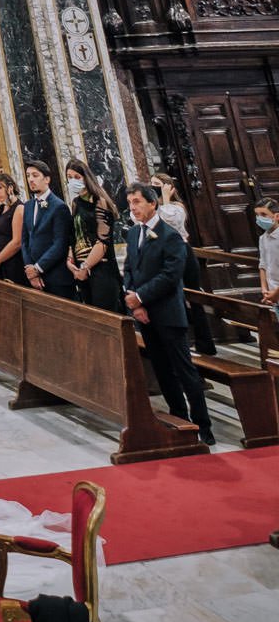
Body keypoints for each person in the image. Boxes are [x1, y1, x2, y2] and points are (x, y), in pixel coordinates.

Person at [123, 181, 215, 445]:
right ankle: (179, 419)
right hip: (144, 315)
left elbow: (170, 276)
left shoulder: (170, 236)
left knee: (184, 371)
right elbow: (130, 269)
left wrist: (140, 297)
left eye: (138, 202)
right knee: (162, 370)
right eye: (130, 203)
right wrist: (135, 303)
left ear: (153, 203)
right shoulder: (132, 234)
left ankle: (203, 425)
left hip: (168, 313)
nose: (133, 207)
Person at [152, 171, 215, 354]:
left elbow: (169, 221)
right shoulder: (155, 208)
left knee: (193, 297)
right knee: (174, 298)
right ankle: (183, 340)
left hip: (183, 253)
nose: (154, 188)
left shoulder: (176, 206)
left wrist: (165, 198)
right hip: (165, 254)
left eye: (157, 185)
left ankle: (205, 343)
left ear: (169, 188)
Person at [64, 159, 124, 311]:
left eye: (76, 177)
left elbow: (103, 241)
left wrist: (85, 266)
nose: (72, 181)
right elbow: (75, 234)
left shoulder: (100, 202)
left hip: (101, 268)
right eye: (69, 177)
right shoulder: (75, 203)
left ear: (86, 177)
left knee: (106, 314)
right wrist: (70, 260)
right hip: (80, 268)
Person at [21, 156, 74, 297]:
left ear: (47, 179)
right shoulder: (27, 206)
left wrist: (38, 268)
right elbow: (24, 241)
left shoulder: (59, 207)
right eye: (28, 176)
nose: (31, 179)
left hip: (56, 278)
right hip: (32, 279)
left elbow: (60, 244)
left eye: (35, 175)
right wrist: (30, 272)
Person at [0, 170, 28, 284]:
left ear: (10, 188)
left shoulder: (19, 208)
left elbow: (17, 242)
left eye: (0, 188)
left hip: (13, 262)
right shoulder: (0, 208)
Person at [256, 194, 279, 307]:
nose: (259, 218)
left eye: (264, 214)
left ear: (276, 216)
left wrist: (276, 294)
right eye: (257, 215)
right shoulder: (263, 238)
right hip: (272, 293)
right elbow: (263, 264)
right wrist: (265, 290)